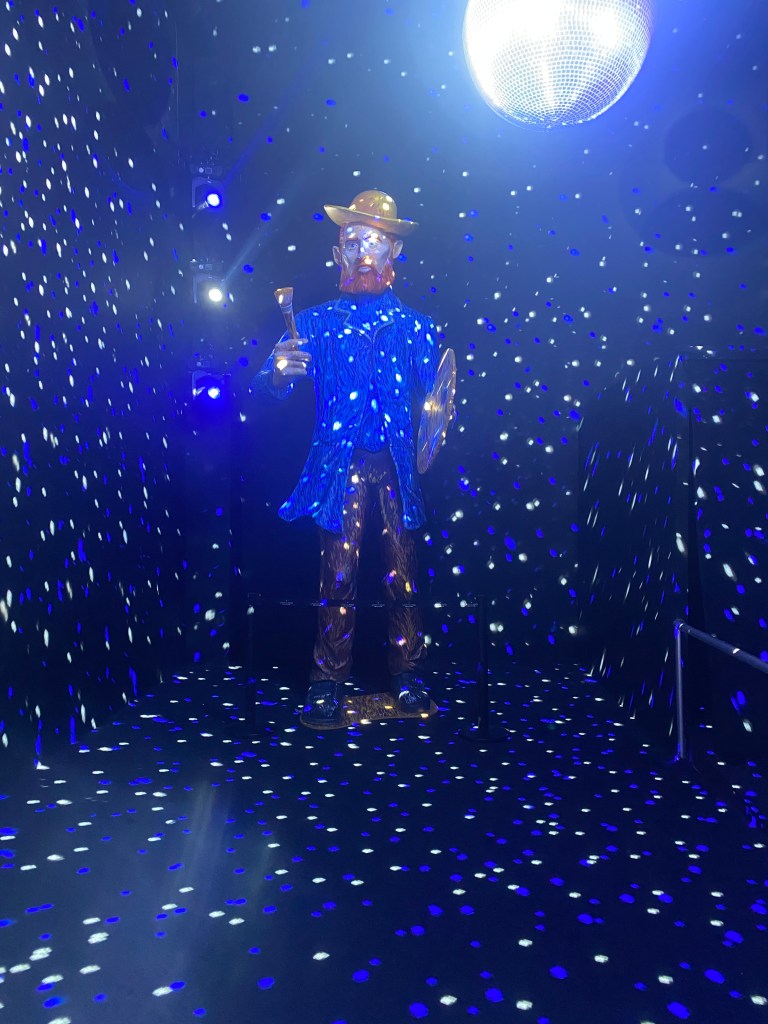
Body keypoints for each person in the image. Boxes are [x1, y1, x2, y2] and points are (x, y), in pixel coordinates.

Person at [251, 189, 444, 727]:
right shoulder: (314, 324)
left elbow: (438, 401)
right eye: (353, 242)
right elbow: (263, 385)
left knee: (403, 576)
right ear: (338, 253)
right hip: (341, 467)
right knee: (337, 574)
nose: (363, 253)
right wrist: (278, 375)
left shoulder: (417, 327)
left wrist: (437, 422)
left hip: (398, 467)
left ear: (394, 252)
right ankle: (327, 679)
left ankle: (409, 673)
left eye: (374, 242)